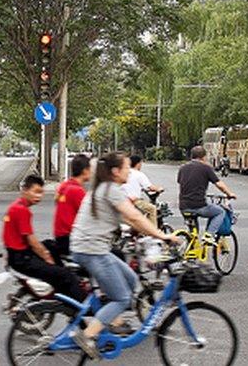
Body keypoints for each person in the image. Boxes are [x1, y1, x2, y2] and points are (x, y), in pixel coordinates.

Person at [68, 152, 180, 359]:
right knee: (121, 298)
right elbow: (135, 215)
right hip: (91, 250)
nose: (131, 171)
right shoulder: (111, 189)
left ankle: (111, 321)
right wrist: (163, 236)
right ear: (115, 171)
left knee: (130, 278)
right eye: (127, 167)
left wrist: (147, 233)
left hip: (92, 248)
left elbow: (132, 221)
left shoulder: (106, 188)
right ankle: (88, 335)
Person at [2, 174, 84, 302]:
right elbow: (32, 240)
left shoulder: (15, 206)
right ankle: (80, 305)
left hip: (17, 256)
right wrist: (47, 257)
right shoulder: (22, 210)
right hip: (22, 259)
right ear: (25, 190)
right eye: (35, 192)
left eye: (41, 192)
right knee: (65, 275)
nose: (38, 196)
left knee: (51, 245)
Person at [177, 146, 238, 244]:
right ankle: (209, 234)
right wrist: (229, 193)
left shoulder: (182, 168)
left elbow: (182, 183)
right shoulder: (206, 168)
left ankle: (191, 251)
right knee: (220, 212)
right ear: (203, 157)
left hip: (183, 206)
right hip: (199, 205)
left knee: (193, 232)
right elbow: (219, 184)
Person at [53, 154, 92, 257]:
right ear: (85, 170)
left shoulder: (65, 185)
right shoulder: (77, 191)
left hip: (61, 237)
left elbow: (56, 200)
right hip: (71, 239)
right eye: (90, 169)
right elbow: (90, 215)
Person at [123, 155, 164, 225]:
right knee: (152, 209)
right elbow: (149, 187)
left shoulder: (123, 172)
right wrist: (159, 189)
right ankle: (153, 232)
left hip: (122, 201)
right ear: (138, 164)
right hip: (134, 201)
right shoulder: (139, 174)